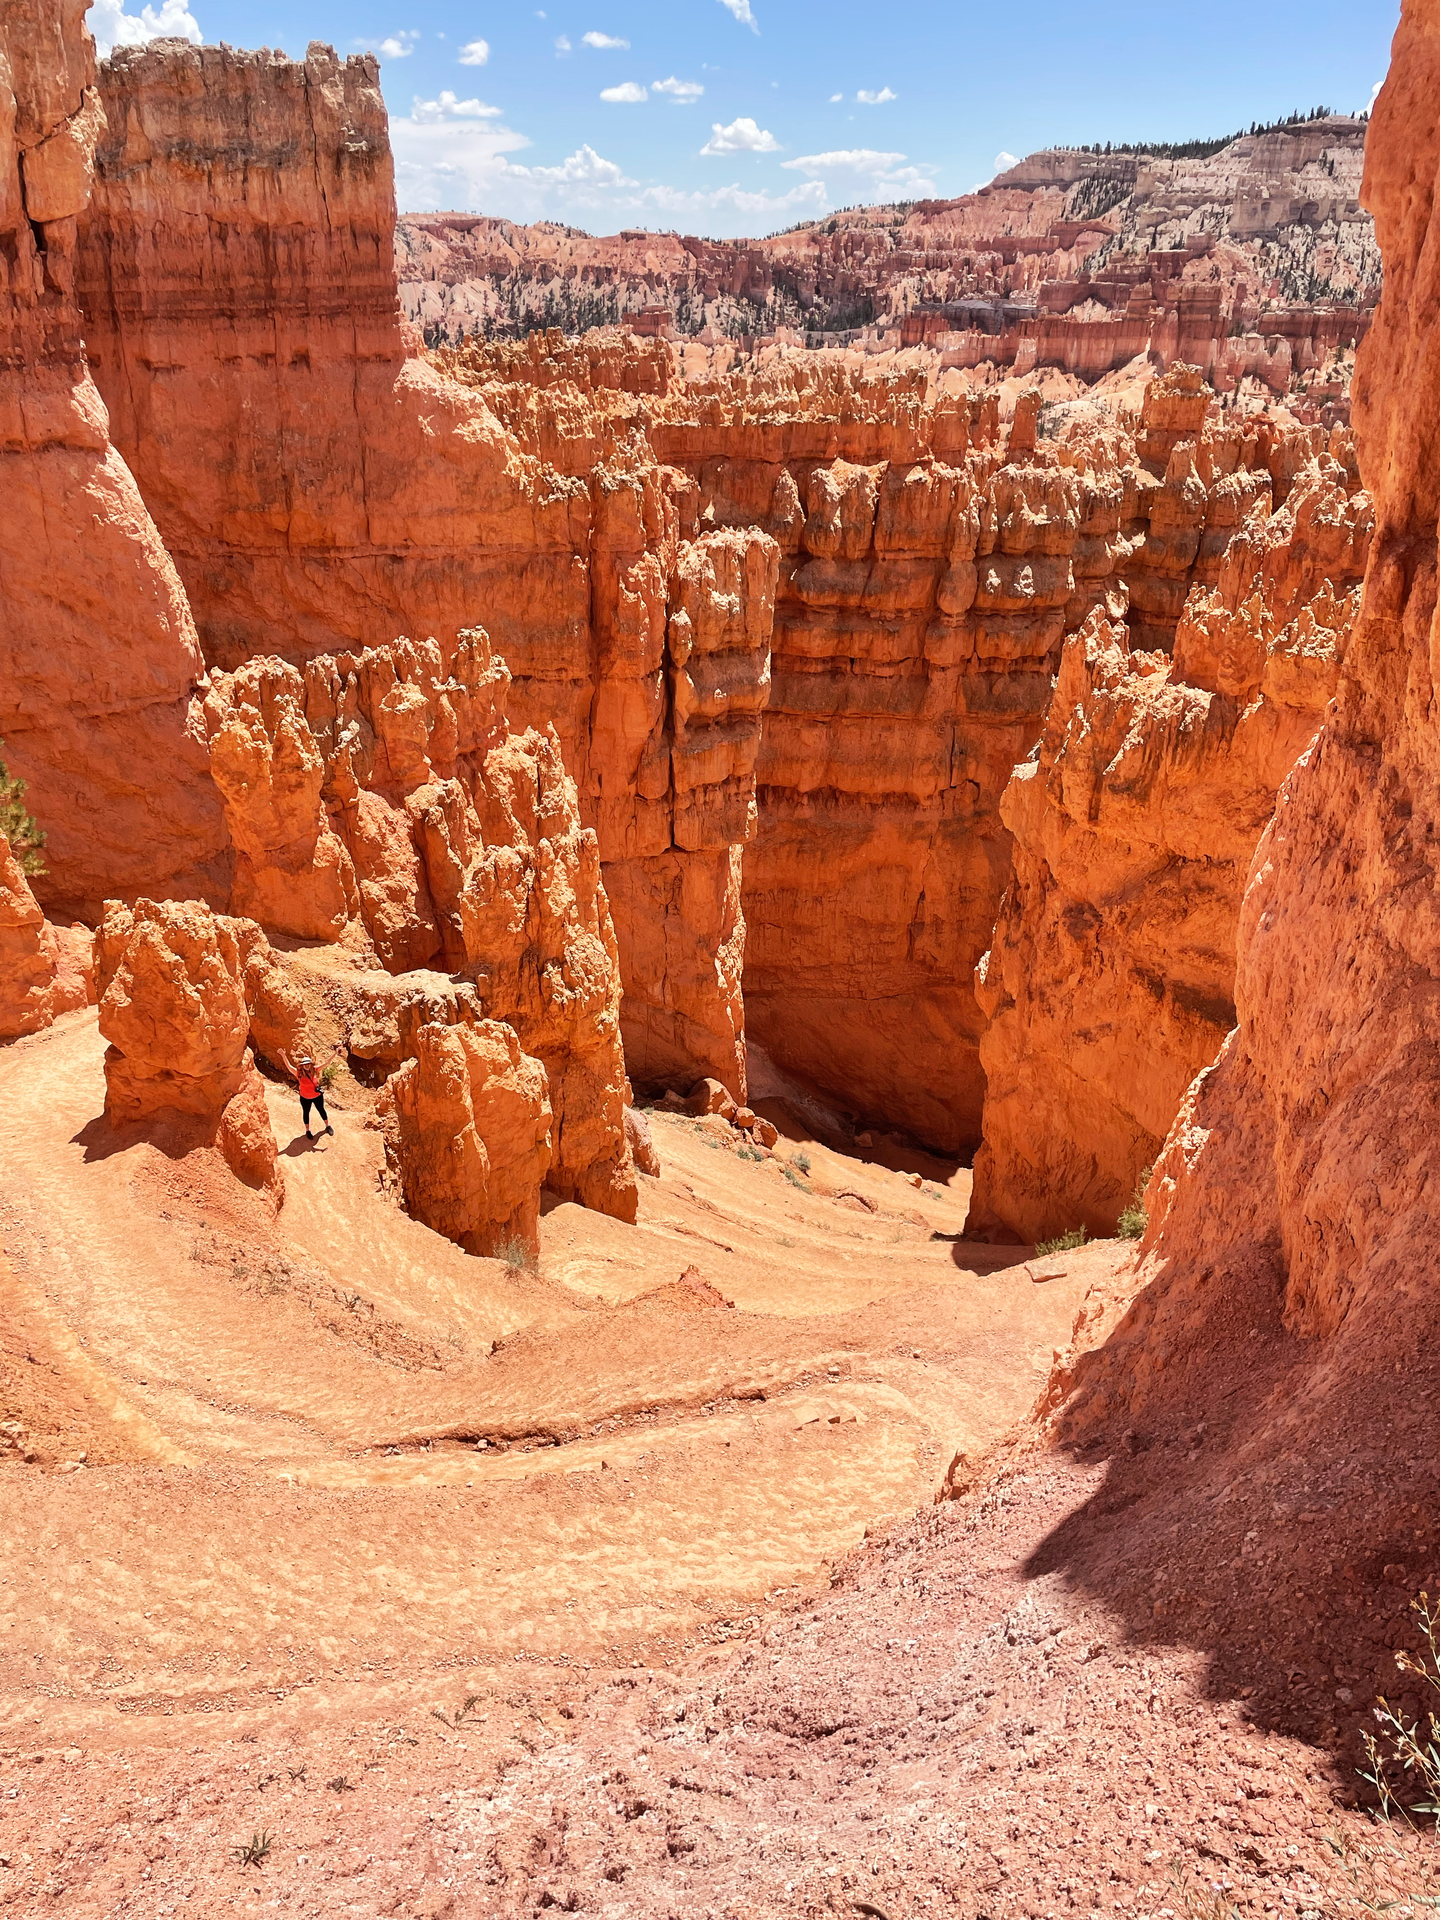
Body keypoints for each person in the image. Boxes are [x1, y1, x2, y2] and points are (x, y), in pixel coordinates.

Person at [278, 1045, 338, 1139]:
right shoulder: (298, 1073)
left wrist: (335, 1053)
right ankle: (308, 1131)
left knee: (321, 1110)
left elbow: (327, 1062)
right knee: (306, 1113)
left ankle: (327, 1126)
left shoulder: (315, 1070)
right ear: (302, 1065)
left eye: (308, 1064)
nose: (307, 1066)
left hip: (317, 1096)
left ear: (310, 1064)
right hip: (305, 1098)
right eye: (305, 1064)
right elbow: (288, 1066)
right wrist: (283, 1055)